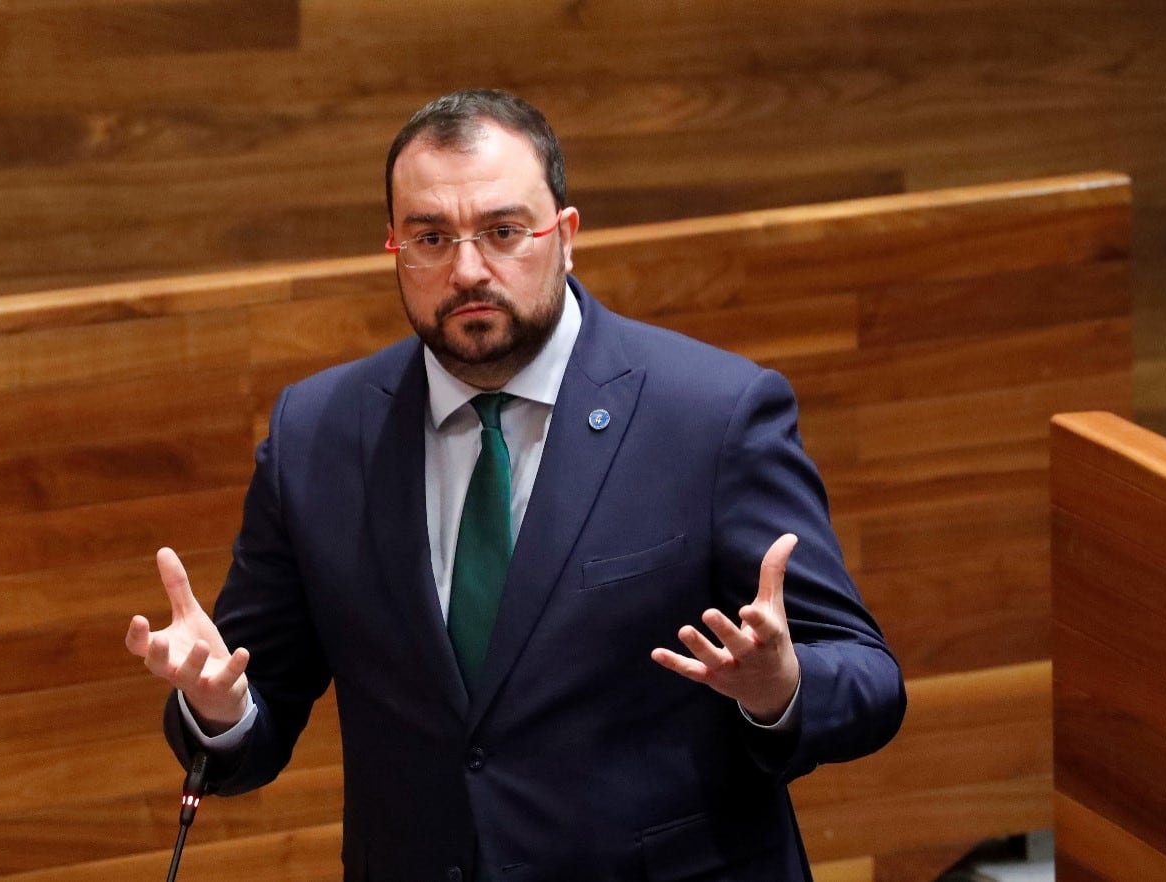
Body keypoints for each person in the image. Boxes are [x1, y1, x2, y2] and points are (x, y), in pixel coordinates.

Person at [126, 88, 905, 882]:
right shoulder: (318, 436)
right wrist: (217, 712)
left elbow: (871, 681)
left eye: (503, 232)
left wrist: (781, 687)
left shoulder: (710, 414)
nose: (468, 270)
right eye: (431, 237)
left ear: (564, 236)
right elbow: (254, 711)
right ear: (394, 247)